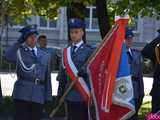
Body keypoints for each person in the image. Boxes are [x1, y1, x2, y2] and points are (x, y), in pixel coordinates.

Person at [4, 25, 52, 120]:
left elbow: (47, 78)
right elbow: (7, 56)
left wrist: (48, 97)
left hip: (38, 95)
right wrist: (18, 42)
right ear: (25, 39)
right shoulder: (19, 52)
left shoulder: (45, 55)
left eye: (34, 36)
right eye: (30, 37)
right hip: (22, 94)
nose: (33, 39)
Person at [57, 18, 95, 120]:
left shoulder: (89, 51)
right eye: (71, 32)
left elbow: (94, 72)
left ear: (82, 32)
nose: (73, 35)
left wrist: (86, 71)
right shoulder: (66, 51)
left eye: (76, 32)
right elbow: (63, 75)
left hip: (83, 94)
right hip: (69, 94)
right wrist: (60, 93)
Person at [125, 27, 144, 120]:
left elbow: (140, 75)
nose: (129, 41)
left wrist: (141, 93)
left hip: (135, 91)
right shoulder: (118, 55)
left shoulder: (136, 54)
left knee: (134, 117)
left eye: (131, 38)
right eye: (126, 39)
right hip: (123, 92)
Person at [141, 29, 160, 113]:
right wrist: (158, 39)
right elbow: (145, 52)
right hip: (158, 90)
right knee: (156, 115)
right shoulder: (157, 47)